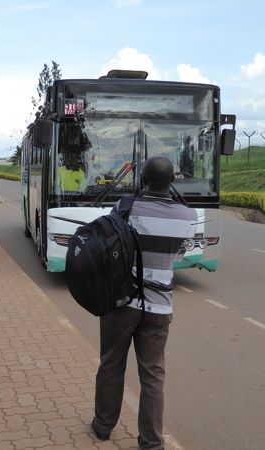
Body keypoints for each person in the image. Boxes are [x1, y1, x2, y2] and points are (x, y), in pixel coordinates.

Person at [91, 156, 197, 449]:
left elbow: (110, 244)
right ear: (172, 181)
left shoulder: (126, 208)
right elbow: (179, 256)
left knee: (111, 364)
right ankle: (151, 442)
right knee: (153, 375)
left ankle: (103, 426)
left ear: (143, 180)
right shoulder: (188, 217)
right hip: (160, 306)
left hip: (122, 303)